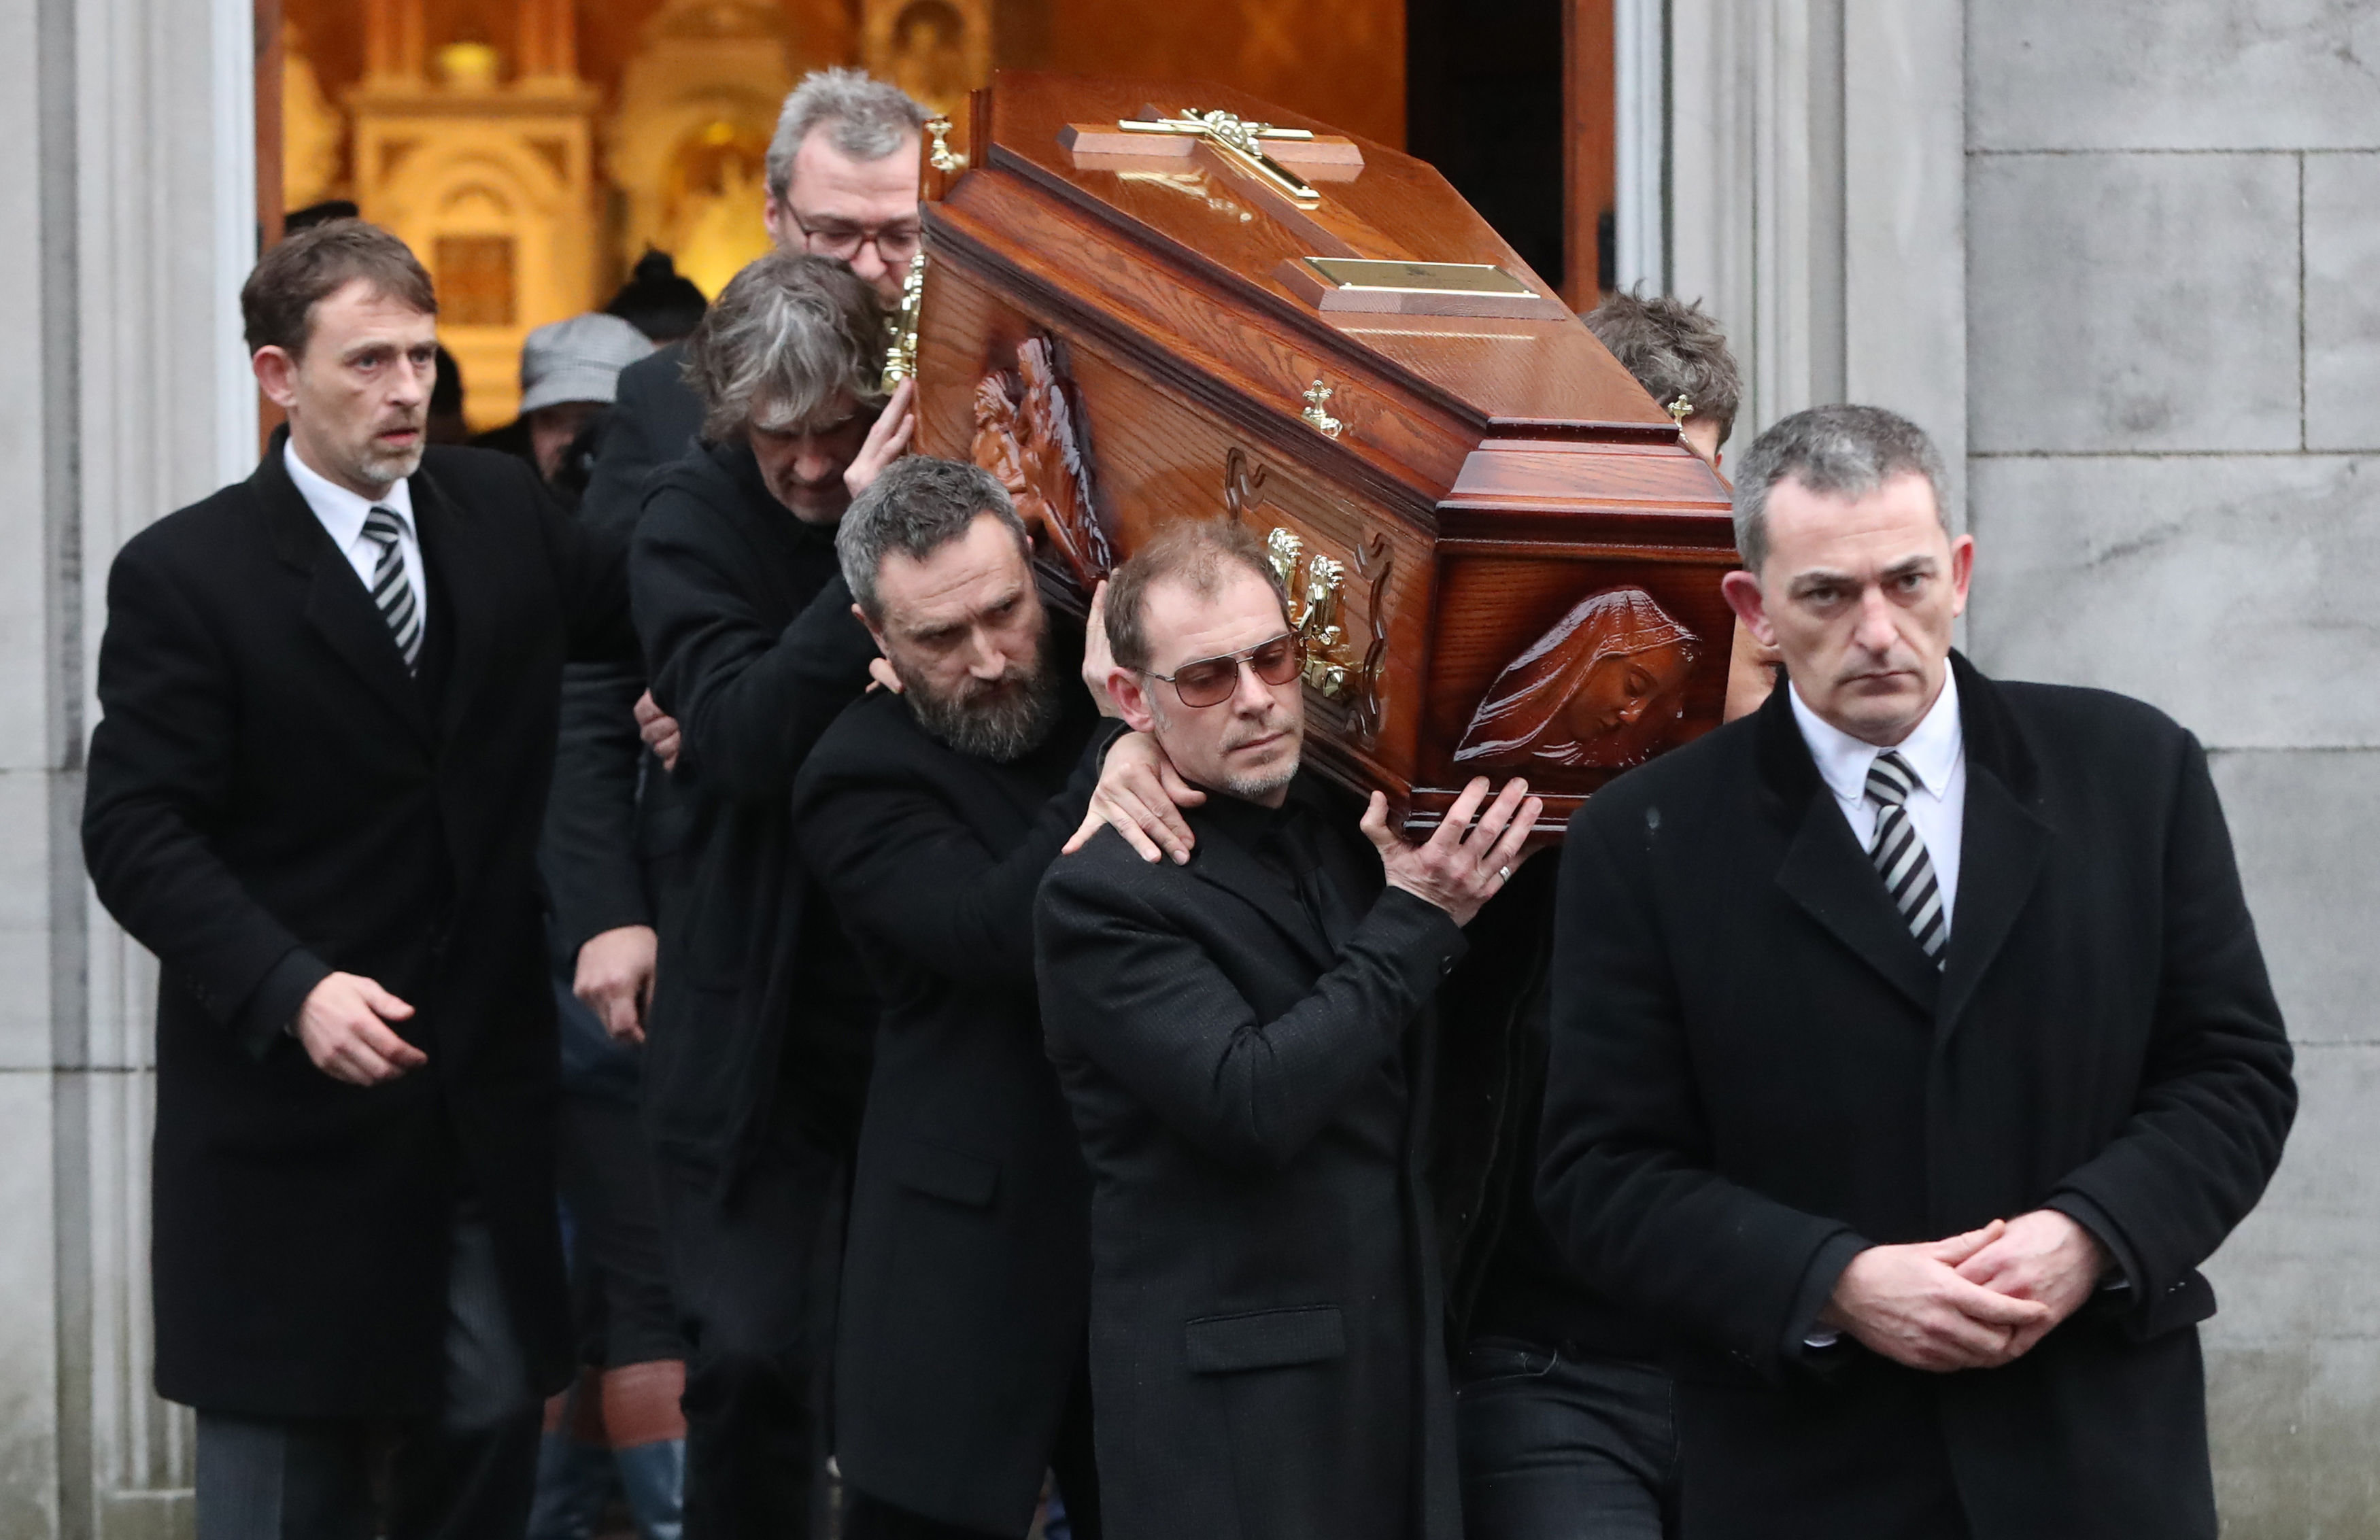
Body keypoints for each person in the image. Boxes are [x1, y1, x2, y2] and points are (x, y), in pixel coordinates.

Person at [1537, 404, 2296, 1539]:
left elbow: (2233, 1078)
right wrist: (1833, 1280)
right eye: (1829, 596)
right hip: (1812, 1467)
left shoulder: (2134, 775)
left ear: (1963, 574)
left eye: (1908, 581)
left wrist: (2089, 1235)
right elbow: (1599, 1174)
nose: (1880, 631)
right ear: (1755, 610)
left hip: (2095, 1454)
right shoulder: (1646, 840)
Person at [80, 218, 636, 1539]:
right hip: (285, 1116)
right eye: (369, 361)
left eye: (423, 357)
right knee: (288, 1486)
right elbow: (138, 831)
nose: (407, 391)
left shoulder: (502, 512)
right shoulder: (186, 574)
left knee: (495, 1411)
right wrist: (292, 985)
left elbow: (658, 613)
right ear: (278, 375)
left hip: (473, 1100)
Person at [1034, 520, 1540, 1540]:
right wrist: (1415, 922)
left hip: (1396, 1371)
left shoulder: (1347, 818)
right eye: (1208, 679)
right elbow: (1252, 1100)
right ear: (1133, 700)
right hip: (1231, 1415)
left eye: (1273, 659)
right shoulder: (1099, 897)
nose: (1259, 699)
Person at [794, 459, 1192, 1540]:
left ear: (1040, 577)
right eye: (938, 638)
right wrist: (1117, 740)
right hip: (966, 1253)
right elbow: (995, 933)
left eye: (1005, 612)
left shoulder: (1109, 676)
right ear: (875, 635)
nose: (986, 658)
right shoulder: (854, 773)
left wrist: (1122, 704)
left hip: (1150, 1231)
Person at [556, 67, 929, 1120]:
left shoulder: (985, 391)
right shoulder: (661, 406)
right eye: (836, 235)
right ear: (773, 217)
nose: (873, 266)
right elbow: (597, 672)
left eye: (901, 236)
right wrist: (604, 911)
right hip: (731, 895)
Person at [625, 250, 913, 1538]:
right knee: (746, 1360)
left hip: (913, 998)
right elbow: (736, 739)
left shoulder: (936, 493)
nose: (810, 466)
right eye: (779, 439)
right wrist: (865, 563)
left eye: (838, 431)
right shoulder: (689, 520)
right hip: (751, 1020)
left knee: (914, 1385)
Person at [1584, 290, 1780, 723]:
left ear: (1720, 472)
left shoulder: (1752, 592)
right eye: (1644, 467)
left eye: (1691, 470)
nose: (1666, 496)